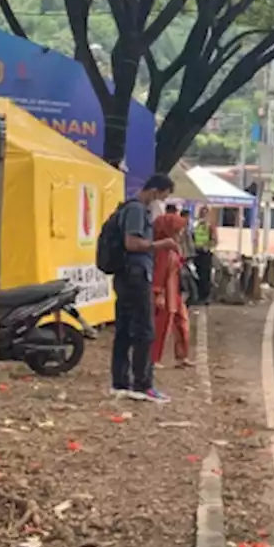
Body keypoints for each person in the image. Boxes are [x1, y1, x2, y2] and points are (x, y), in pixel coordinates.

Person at [112, 173, 177, 403]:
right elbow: (132, 243)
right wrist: (160, 245)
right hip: (135, 276)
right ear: (155, 191)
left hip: (127, 275)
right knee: (144, 331)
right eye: (163, 196)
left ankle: (121, 382)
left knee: (124, 330)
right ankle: (143, 384)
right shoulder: (137, 210)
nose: (161, 201)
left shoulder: (129, 208)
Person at [150, 214, 193, 368]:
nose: (181, 233)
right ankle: (154, 358)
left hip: (174, 290)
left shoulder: (171, 247)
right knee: (162, 325)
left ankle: (182, 355)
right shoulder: (163, 250)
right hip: (166, 291)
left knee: (182, 323)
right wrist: (158, 293)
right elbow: (159, 273)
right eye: (178, 230)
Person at [192, 205, 216, 304]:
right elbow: (193, 236)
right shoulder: (195, 225)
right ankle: (198, 295)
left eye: (205, 213)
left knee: (205, 275)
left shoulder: (210, 226)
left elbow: (214, 240)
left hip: (206, 253)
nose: (203, 215)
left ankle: (205, 296)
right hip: (196, 252)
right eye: (202, 213)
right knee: (197, 274)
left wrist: (207, 246)